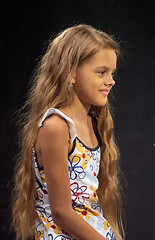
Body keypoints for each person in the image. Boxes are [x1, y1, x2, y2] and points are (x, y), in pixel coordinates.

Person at [11, 24, 124, 240]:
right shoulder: (56, 126)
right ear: (71, 72)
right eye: (101, 72)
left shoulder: (94, 122)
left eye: (112, 73)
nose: (111, 80)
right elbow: (62, 212)